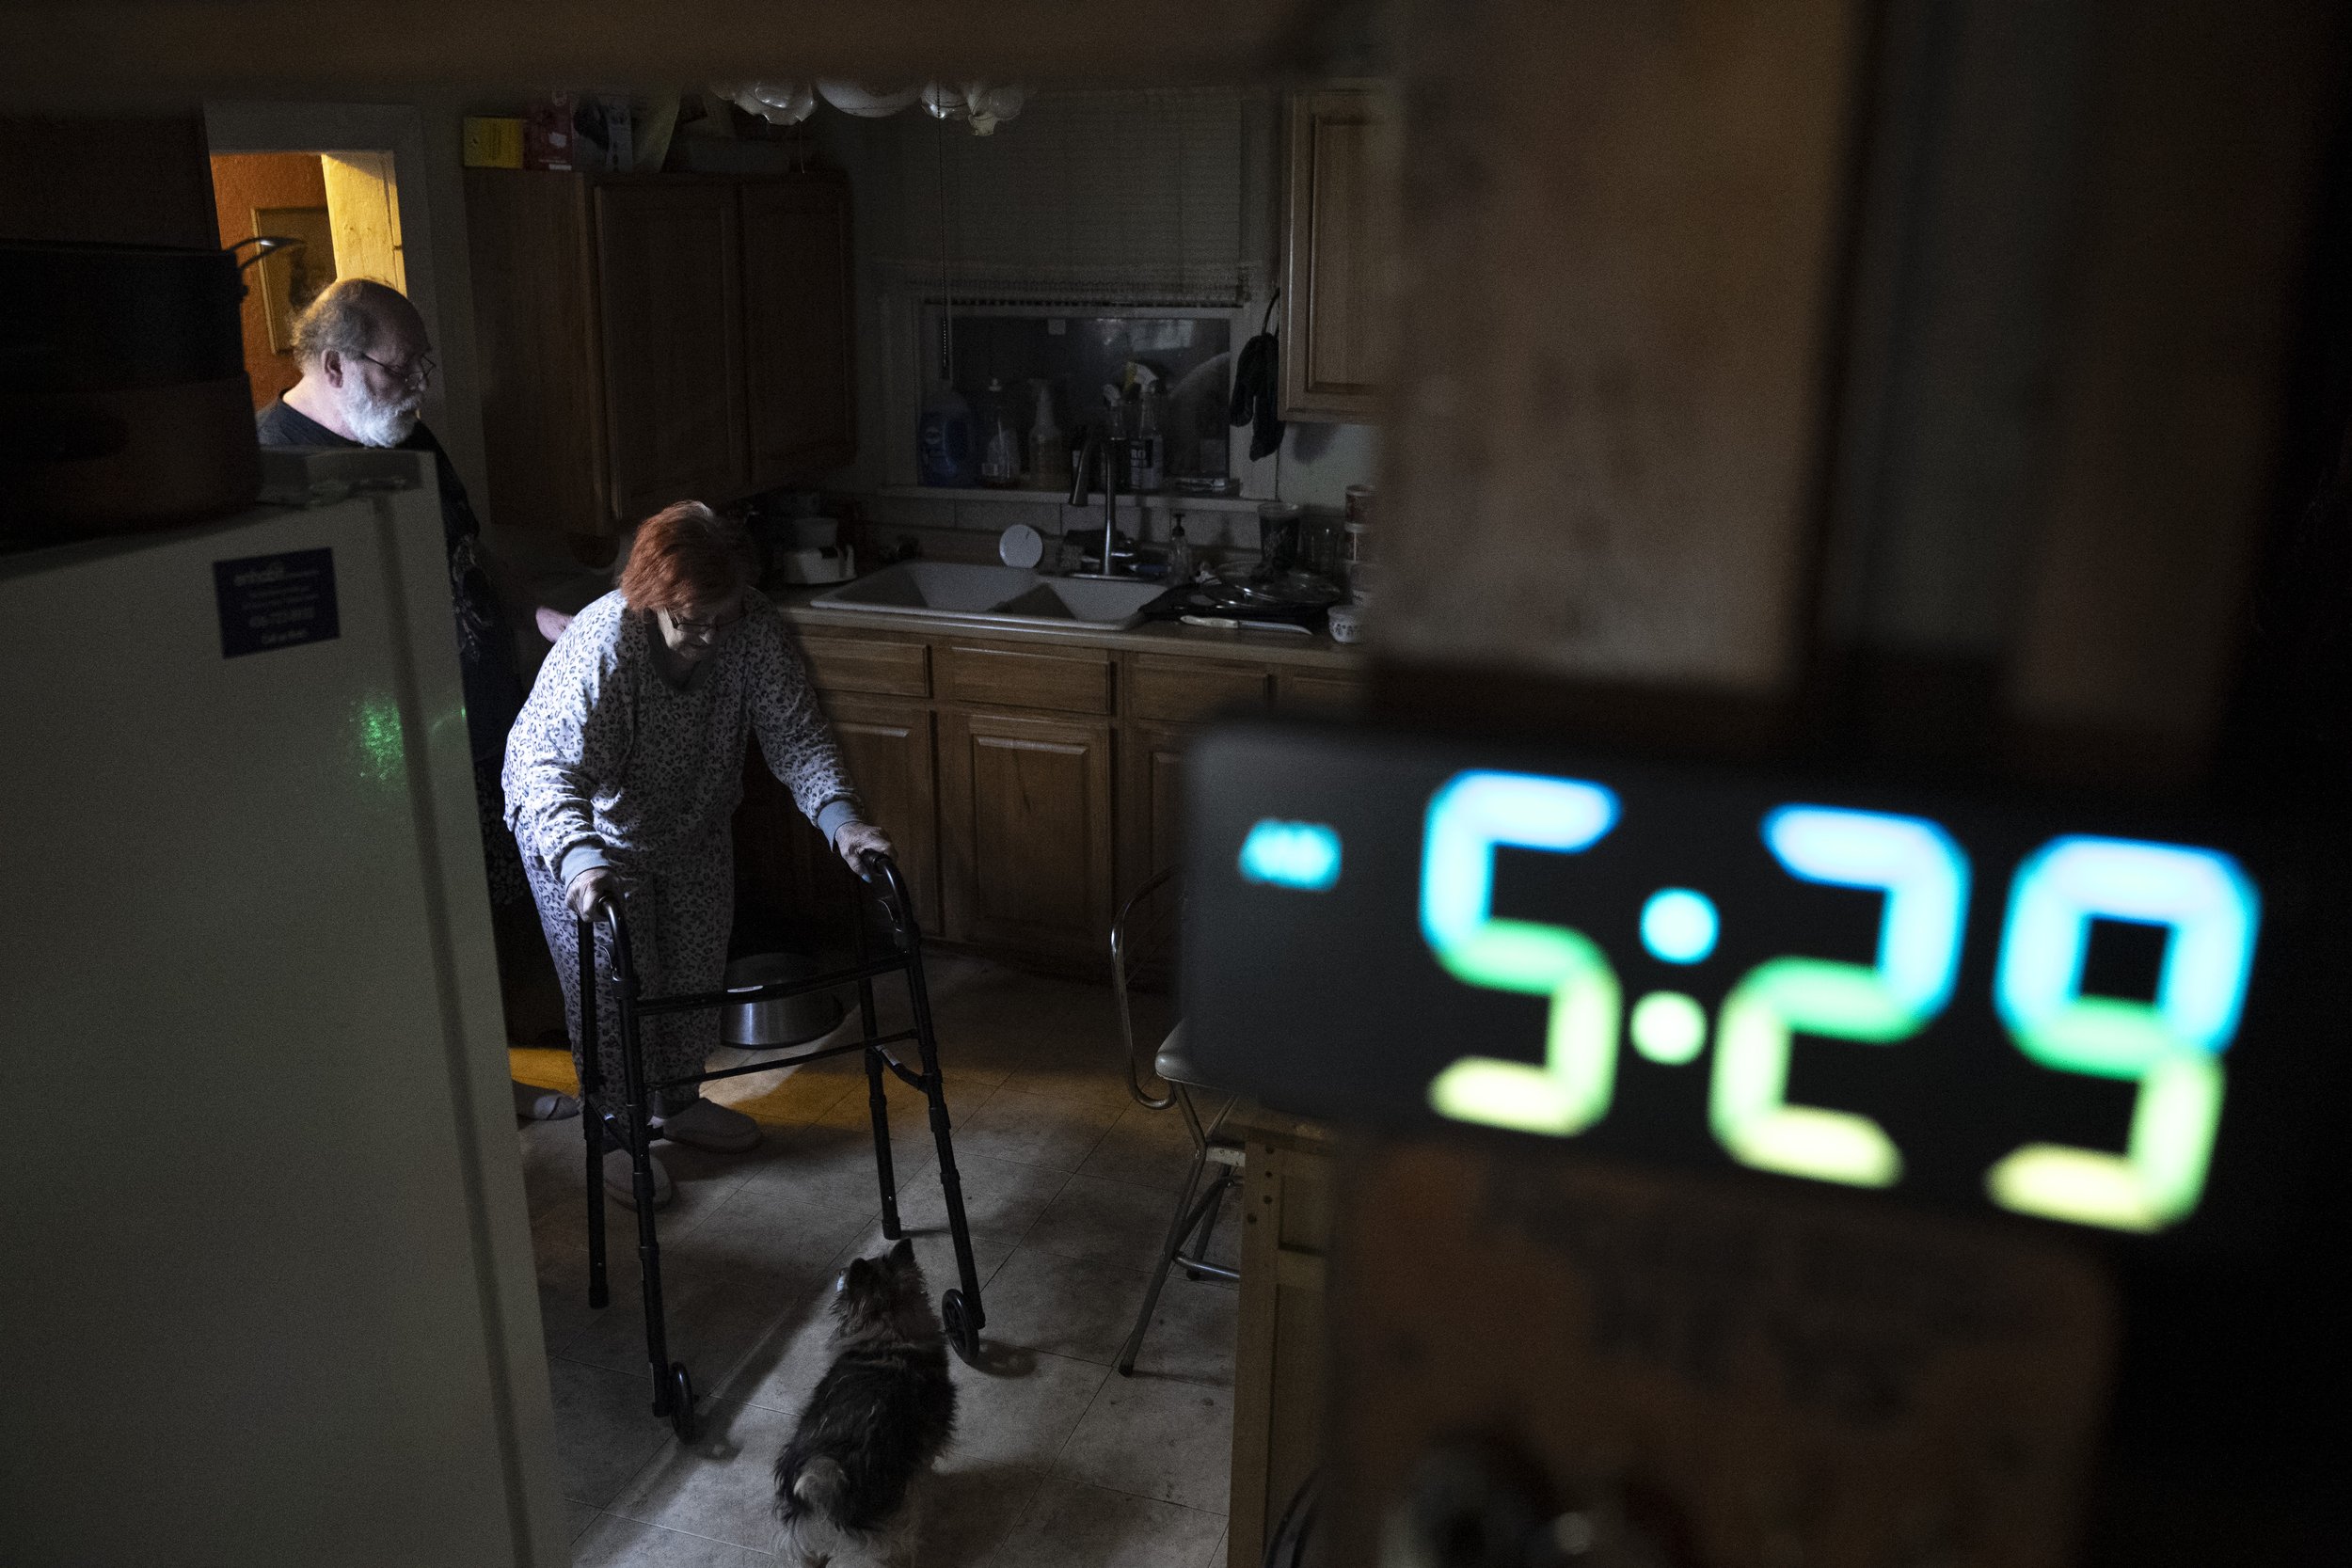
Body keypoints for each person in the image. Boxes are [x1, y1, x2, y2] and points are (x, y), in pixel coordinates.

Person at [505, 500, 892, 1208]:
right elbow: (545, 772)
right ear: (653, 600)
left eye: (723, 615)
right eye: (691, 621)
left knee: (692, 964)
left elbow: (796, 735)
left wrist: (843, 822)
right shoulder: (604, 648)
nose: (710, 636)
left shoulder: (752, 629)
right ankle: (618, 1130)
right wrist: (580, 860)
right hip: (581, 833)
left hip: (690, 825)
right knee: (617, 983)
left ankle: (675, 1103)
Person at [258, 277, 578, 1121]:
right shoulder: (267, 464)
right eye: (404, 369)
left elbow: (472, 551)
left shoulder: (406, 436)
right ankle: (465, 1099)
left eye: (423, 367)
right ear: (335, 363)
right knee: (416, 929)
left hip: (472, 724)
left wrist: (543, 617)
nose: (420, 388)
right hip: (373, 756)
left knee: (481, 914)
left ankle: (492, 1084)